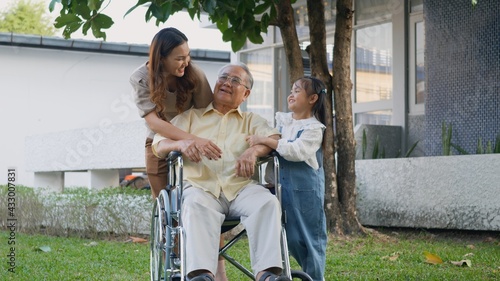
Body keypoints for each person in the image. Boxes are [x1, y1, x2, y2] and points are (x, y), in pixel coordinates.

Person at [152, 63, 291, 281]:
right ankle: (201, 275)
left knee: (267, 202)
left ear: (246, 93)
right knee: (195, 204)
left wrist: (254, 151)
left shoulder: (252, 121)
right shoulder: (191, 117)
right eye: (223, 77)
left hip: (241, 189)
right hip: (201, 188)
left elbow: (274, 139)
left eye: (235, 80)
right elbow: (158, 145)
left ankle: (268, 275)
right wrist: (182, 144)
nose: (226, 83)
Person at [129, 27, 227, 281]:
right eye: (179, 57)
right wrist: (189, 141)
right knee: (168, 215)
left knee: (208, 203)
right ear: (161, 57)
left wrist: (198, 144)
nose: (186, 62)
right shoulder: (140, 78)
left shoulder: (194, 75)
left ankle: (217, 273)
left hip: (196, 148)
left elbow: (208, 116)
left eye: (188, 55)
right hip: (159, 146)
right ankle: (174, 270)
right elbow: (155, 123)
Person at [245, 76, 328, 281]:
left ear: (312, 98)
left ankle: (314, 278)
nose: (291, 94)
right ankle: (279, 276)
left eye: (297, 90)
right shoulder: (284, 123)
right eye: (291, 89)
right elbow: (274, 153)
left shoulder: (313, 129)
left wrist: (265, 140)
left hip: (304, 195)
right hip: (279, 190)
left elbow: (295, 151)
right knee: (282, 237)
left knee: (307, 240)